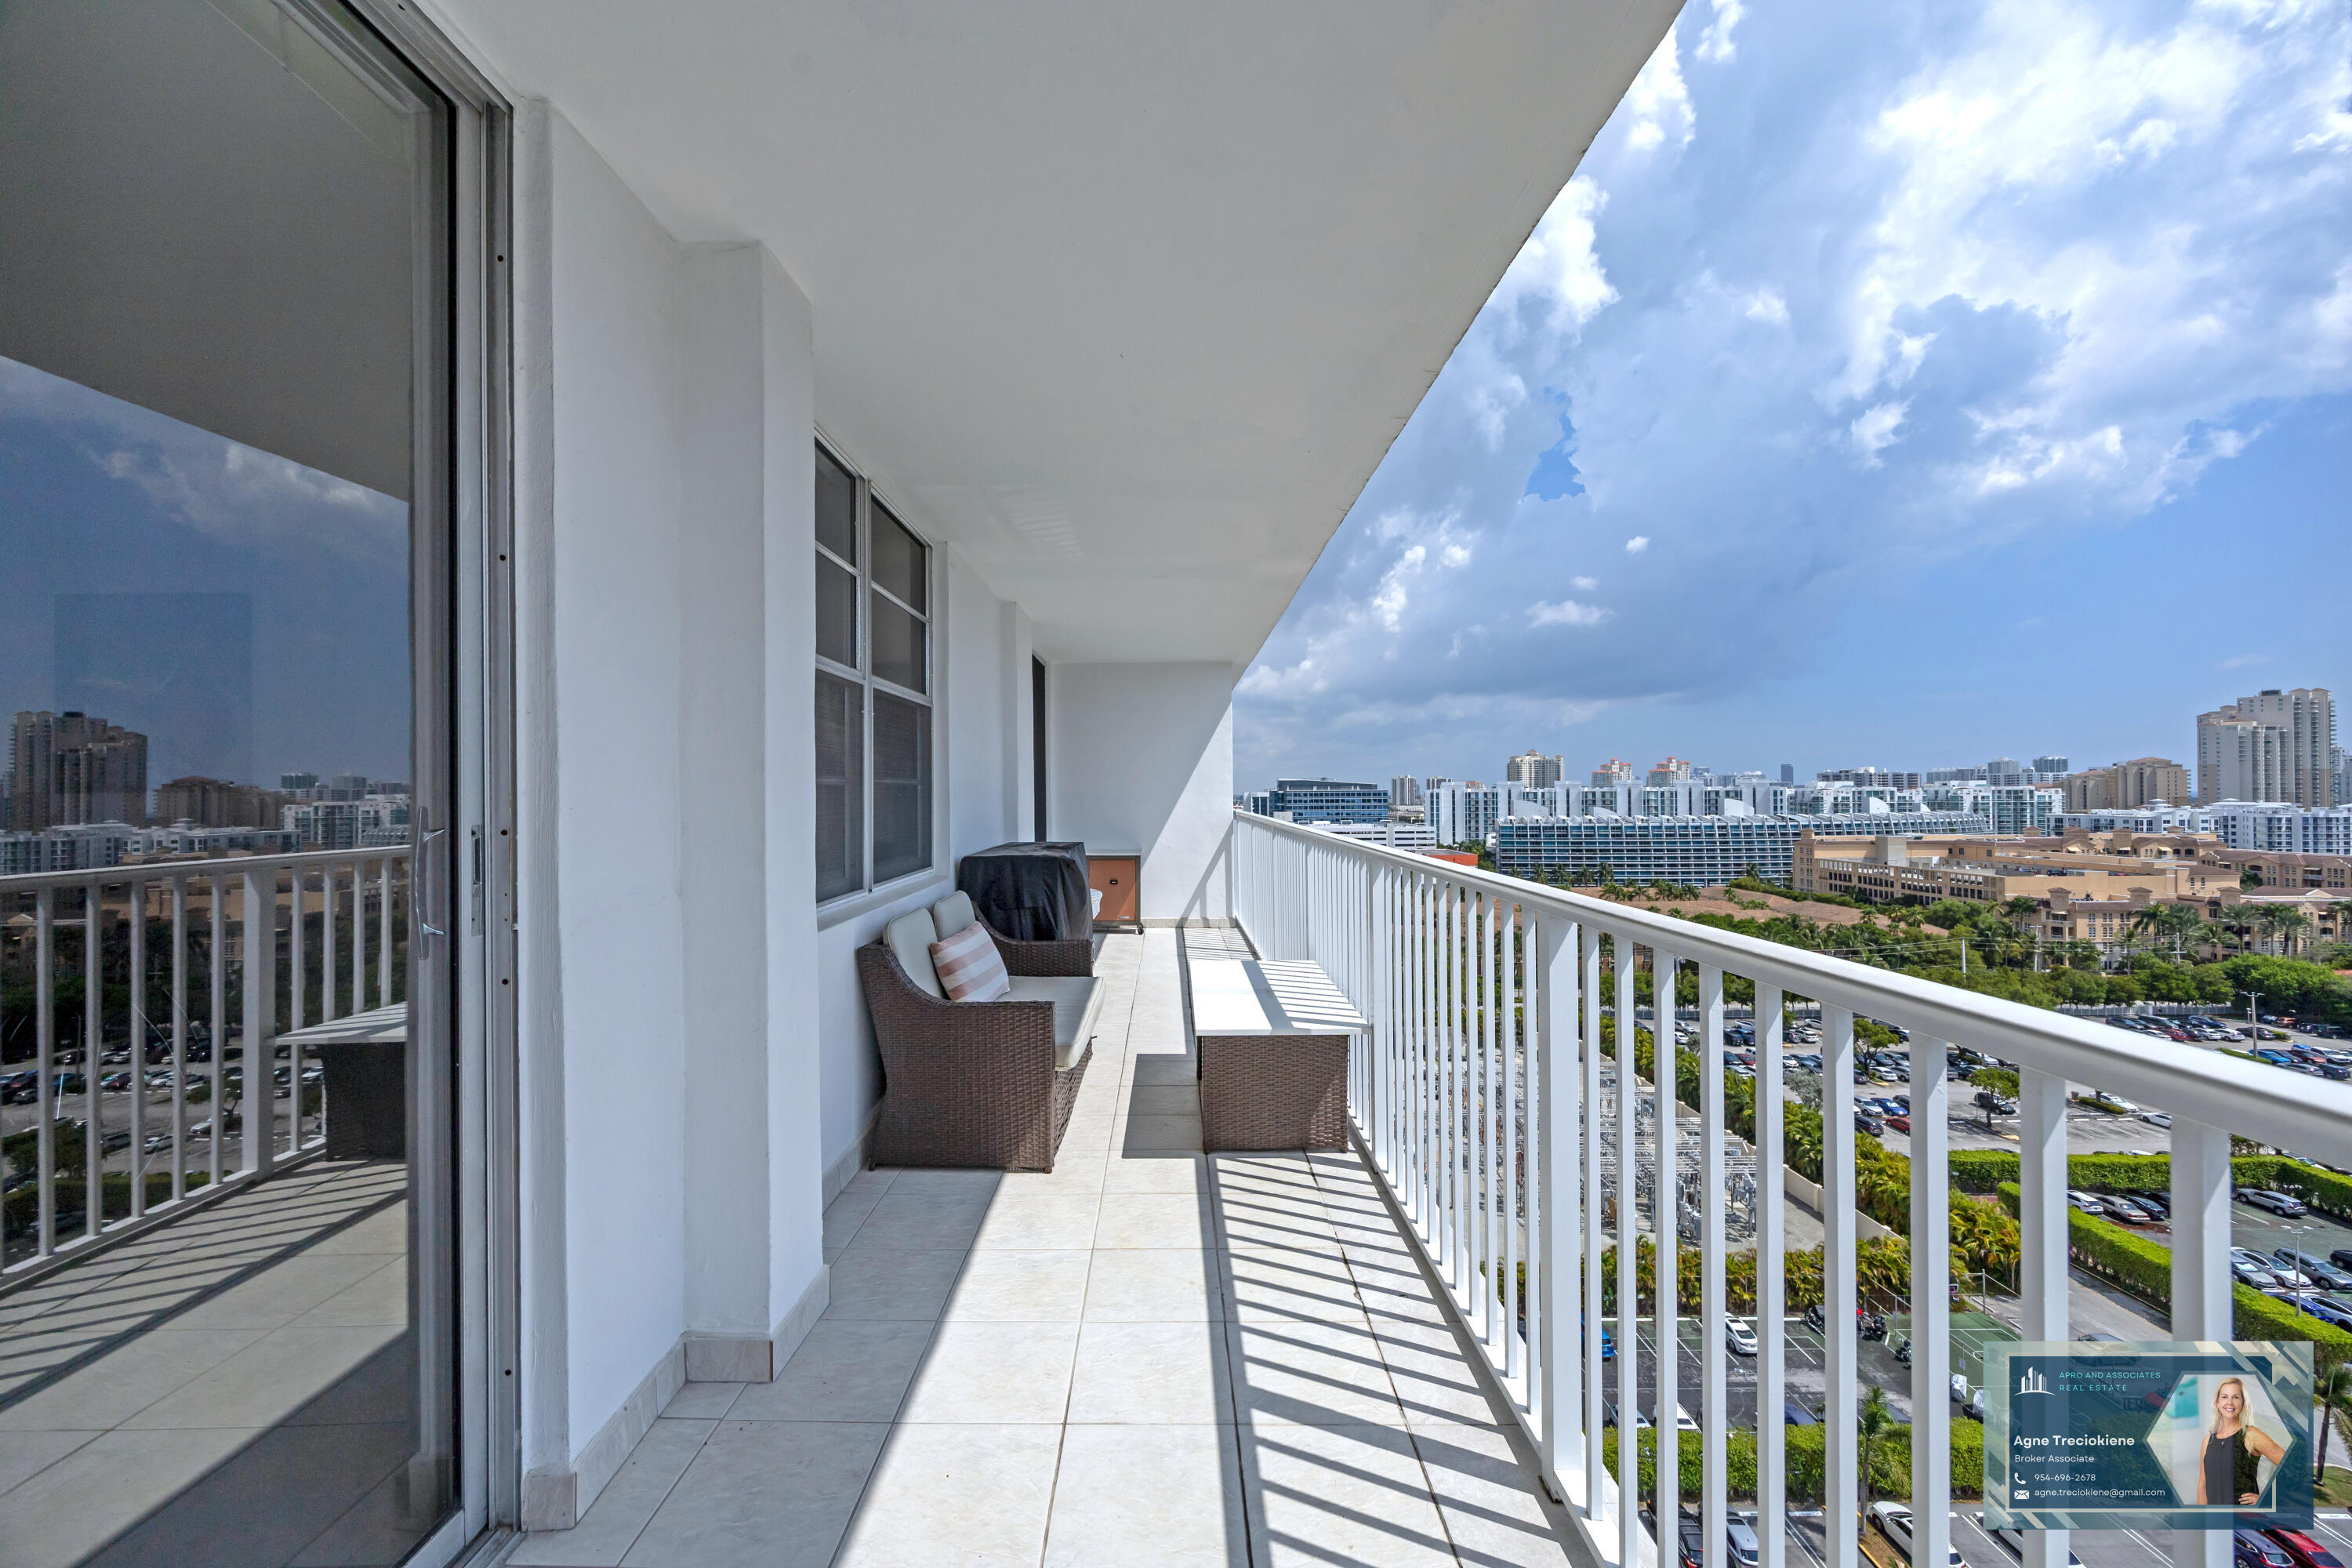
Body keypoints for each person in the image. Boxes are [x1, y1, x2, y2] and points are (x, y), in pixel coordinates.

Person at [2198, 1377, 2287, 1507]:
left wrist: (2266, 1498)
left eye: (2236, 1397)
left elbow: (2289, 1465)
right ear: (2217, 1403)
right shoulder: (2208, 1442)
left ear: (2243, 1403)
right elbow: (2203, 1487)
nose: (2230, 1402)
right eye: (2224, 1397)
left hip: (2245, 1521)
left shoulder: (2251, 1435)